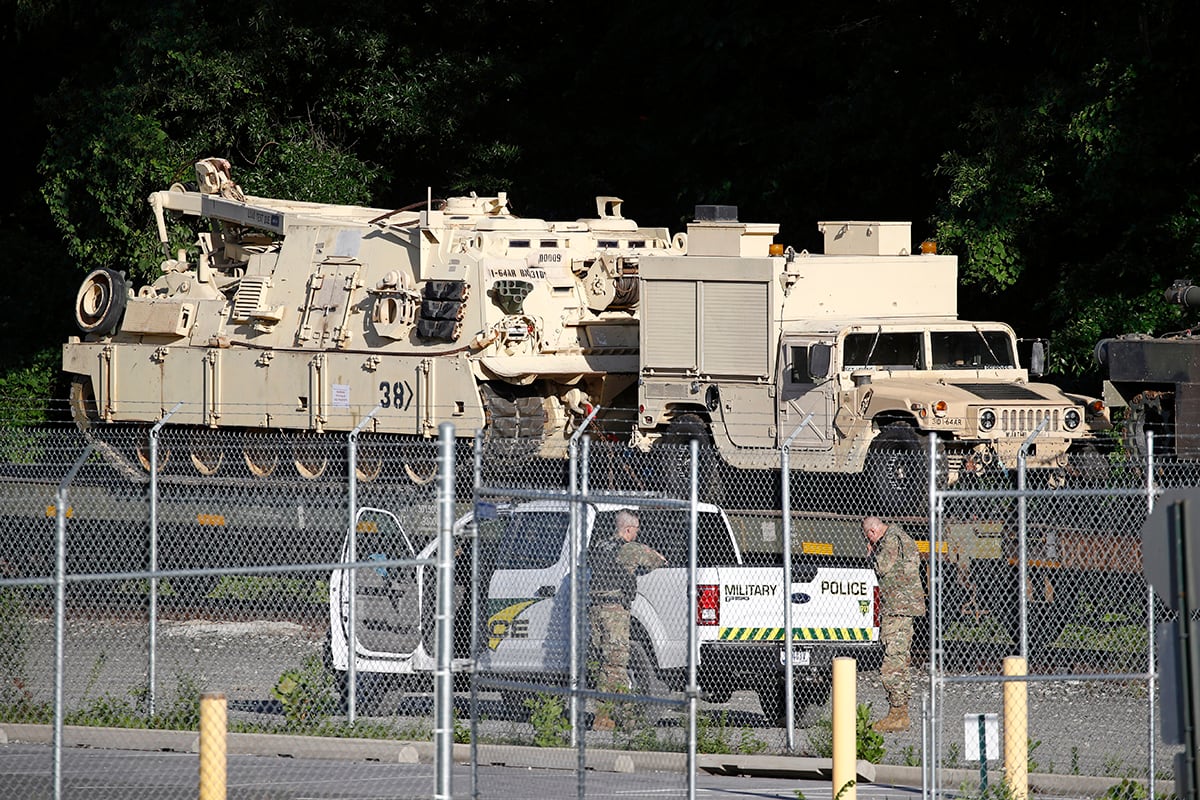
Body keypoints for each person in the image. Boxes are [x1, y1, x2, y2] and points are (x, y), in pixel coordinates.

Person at [587, 509, 667, 730]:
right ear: (629, 529)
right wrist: (658, 558)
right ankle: (613, 717)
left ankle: (609, 715)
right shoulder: (630, 549)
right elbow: (658, 561)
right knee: (616, 663)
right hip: (615, 611)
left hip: (595, 609)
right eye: (637, 529)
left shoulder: (600, 546)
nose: (637, 533)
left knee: (604, 661)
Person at [861, 515, 925, 733]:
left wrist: (870, 555)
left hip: (898, 606)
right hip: (903, 605)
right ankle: (900, 712)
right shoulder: (901, 536)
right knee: (900, 657)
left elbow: (882, 567)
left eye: (868, 537)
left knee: (893, 661)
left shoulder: (890, 540)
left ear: (872, 532)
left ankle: (898, 712)